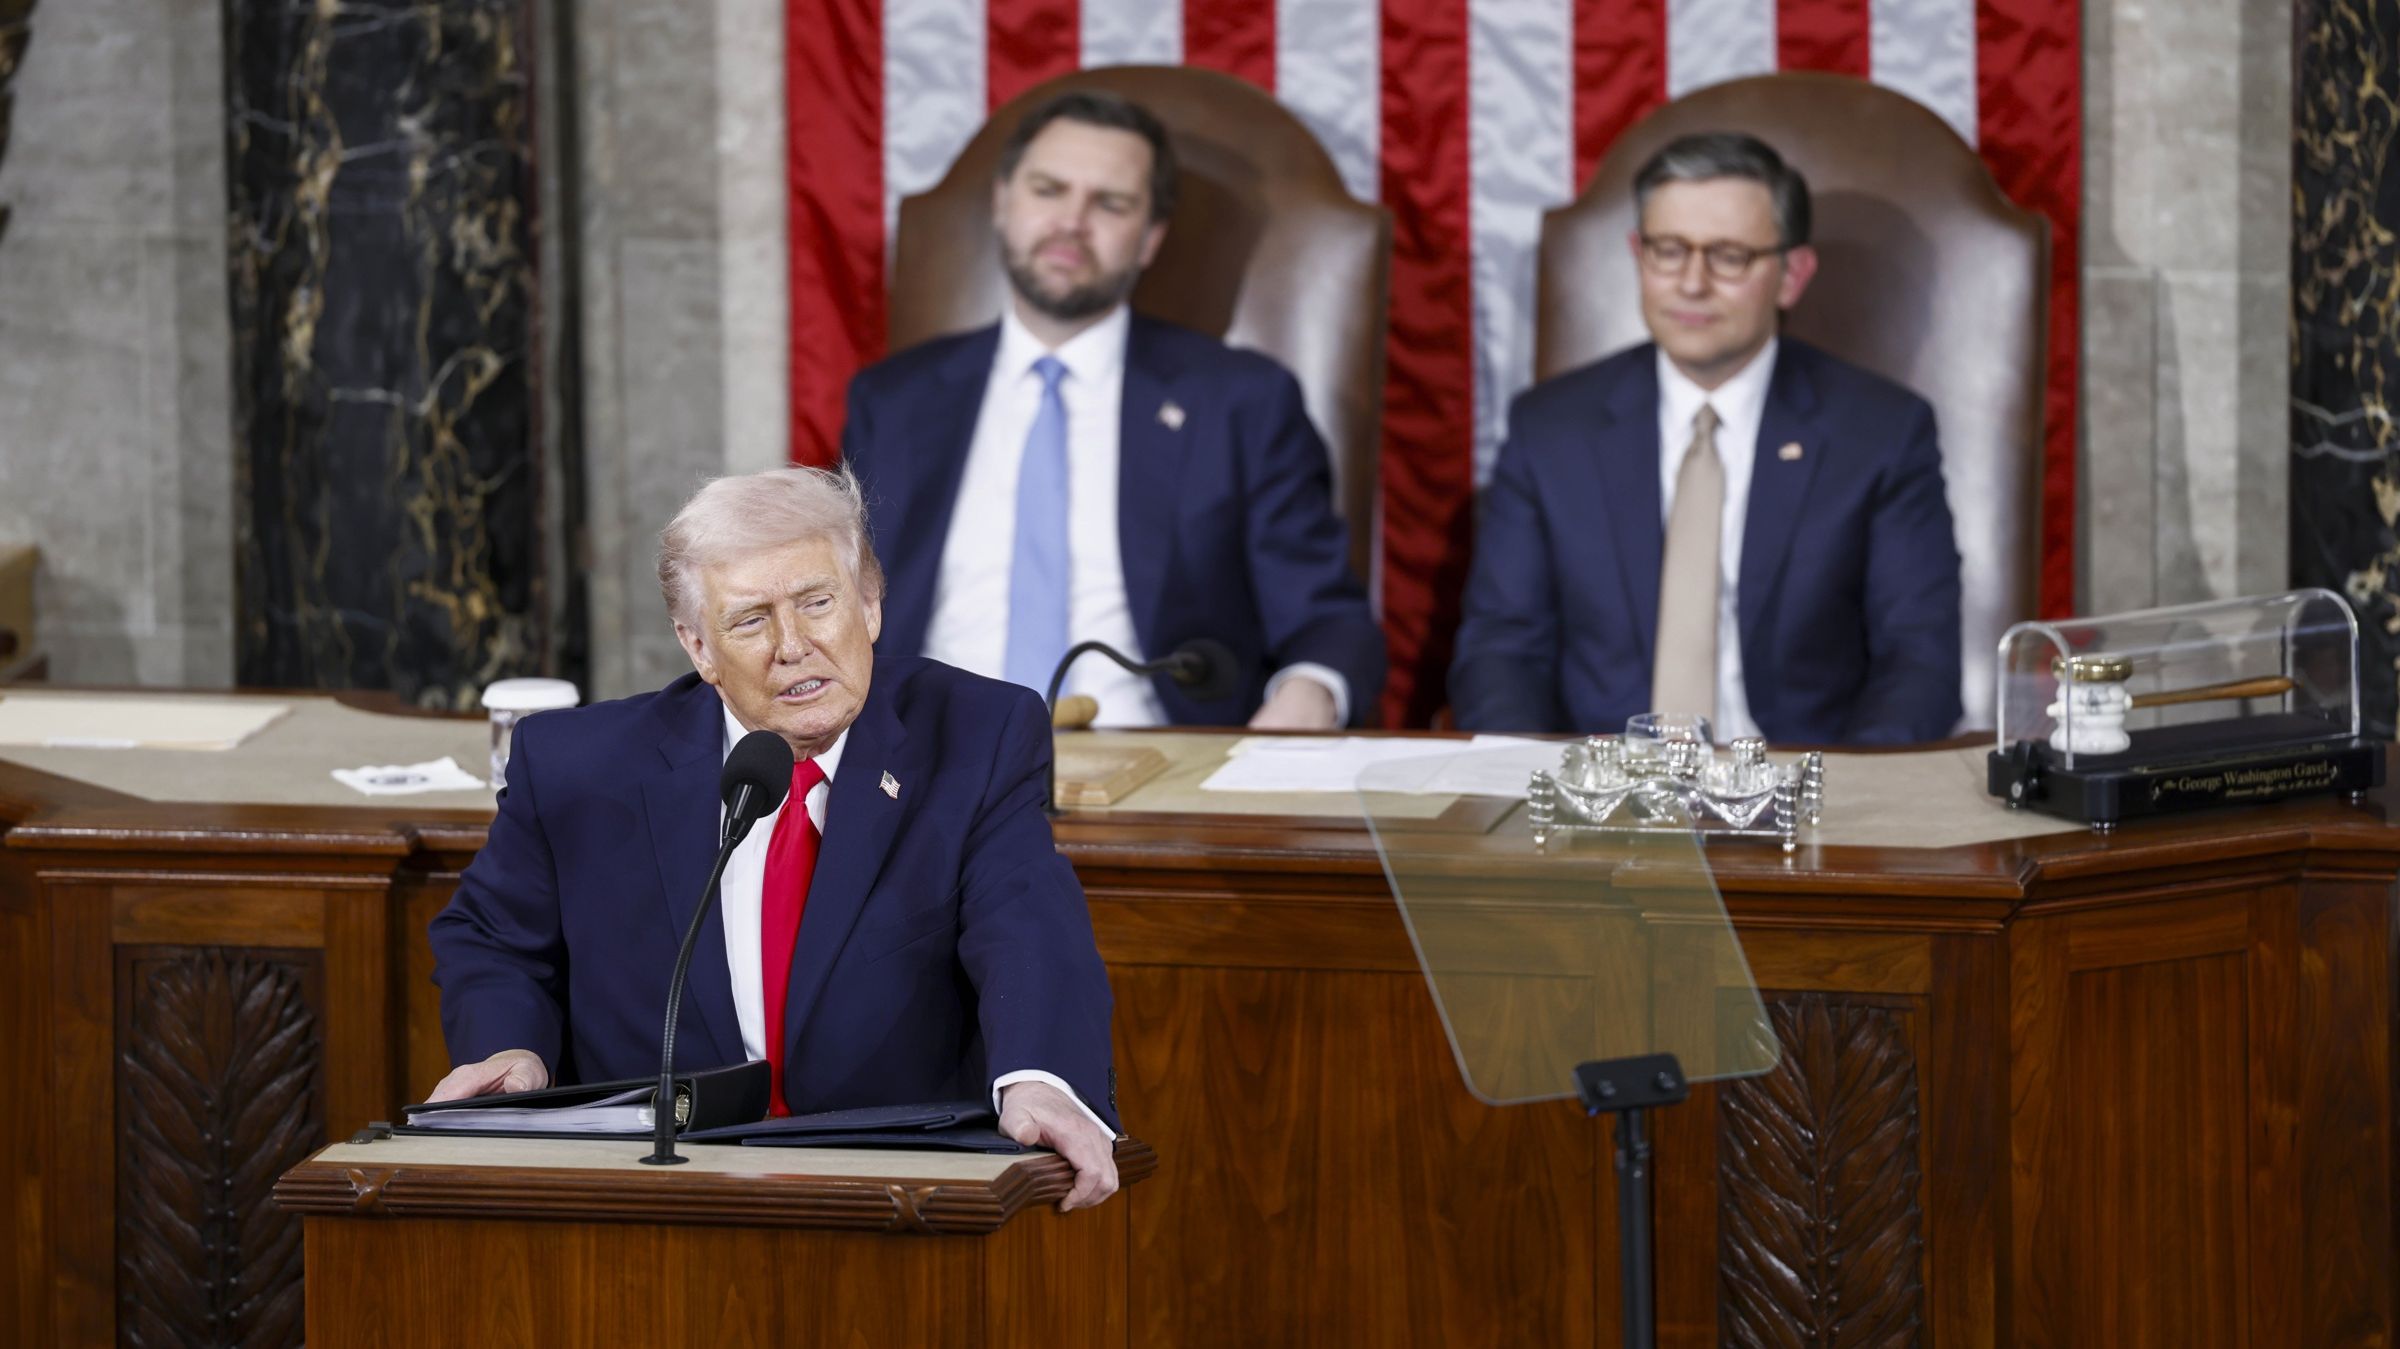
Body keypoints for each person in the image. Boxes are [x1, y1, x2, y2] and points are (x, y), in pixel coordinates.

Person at [427, 466, 1122, 1210]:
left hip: (896, 1195)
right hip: (659, 1198)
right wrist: (511, 1048)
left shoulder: (978, 737)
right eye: (750, 619)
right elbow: (494, 935)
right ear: (698, 646)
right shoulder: (577, 769)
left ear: (870, 602)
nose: (793, 646)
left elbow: (1027, 922)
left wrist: (1040, 1078)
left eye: (818, 603)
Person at [841, 90, 1385, 730]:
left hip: (1157, 777)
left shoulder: (1241, 402)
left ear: (1150, 238)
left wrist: (1308, 694)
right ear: (1002, 203)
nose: (1072, 221)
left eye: (1110, 203)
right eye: (1048, 190)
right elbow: (838, 605)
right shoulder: (895, 399)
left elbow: (1326, 622)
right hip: (924, 765)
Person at [1450, 132, 1963, 744]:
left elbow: (1919, 664)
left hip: (1803, 799)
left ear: (1791, 275)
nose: (1691, 283)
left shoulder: (1881, 433)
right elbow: (1500, 652)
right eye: (1668, 250)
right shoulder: (1551, 429)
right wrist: (1539, 790)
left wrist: (1843, 807)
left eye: (1728, 256)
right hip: (1603, 806)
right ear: (1637, 255)